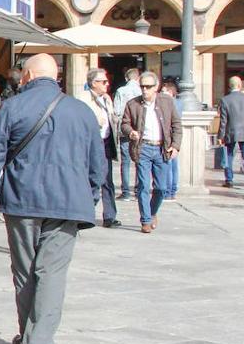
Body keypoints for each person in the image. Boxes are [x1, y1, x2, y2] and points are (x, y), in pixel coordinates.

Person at [0, 54, 105, 344]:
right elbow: (98, 166)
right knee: (52, 273)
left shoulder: (12, 108)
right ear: (55, 77)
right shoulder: (82, 111)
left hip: (22, 200)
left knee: (24, 271)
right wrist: (91, 196)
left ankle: (30, 335)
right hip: (68, 203)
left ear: (28, 76)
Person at [120, 71, 182, 234]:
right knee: (143, 186)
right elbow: (124, 124)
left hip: (162, 148)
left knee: (161, 188)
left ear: (156, 87)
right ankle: (145, 220)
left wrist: (175, 145)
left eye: (148, 87)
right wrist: (130, 132)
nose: (145, 90)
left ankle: (152, 212)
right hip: (143, 148)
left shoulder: (166, 102)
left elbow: (176, 125)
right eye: (142, 86)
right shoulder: (133, 104)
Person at [77, 68, 121, 227]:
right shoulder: (84, 98)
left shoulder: (106, 98)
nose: (107, 84)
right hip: (90, 145)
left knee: (107, 181)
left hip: (106, 143)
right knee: (93, 179)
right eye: (103, 82)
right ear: (94, 83)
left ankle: (110, 216)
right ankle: (85, 213)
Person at [218, 75, 244, 190]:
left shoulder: (225, 100)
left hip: (231, 131)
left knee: (229, 155)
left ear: (229, 86)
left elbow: (223, 121)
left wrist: (220, 135)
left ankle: (229, 179)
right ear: (240, 86)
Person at [113, 68, 142, 200]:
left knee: (125, 161)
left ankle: (125, 192)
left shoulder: (121, 91)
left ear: (126, 78)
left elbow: (117, 111)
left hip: (125, 129)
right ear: (138, 78)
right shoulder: (142, 91)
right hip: (139, 130)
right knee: (139, 160)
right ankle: (138, 190)